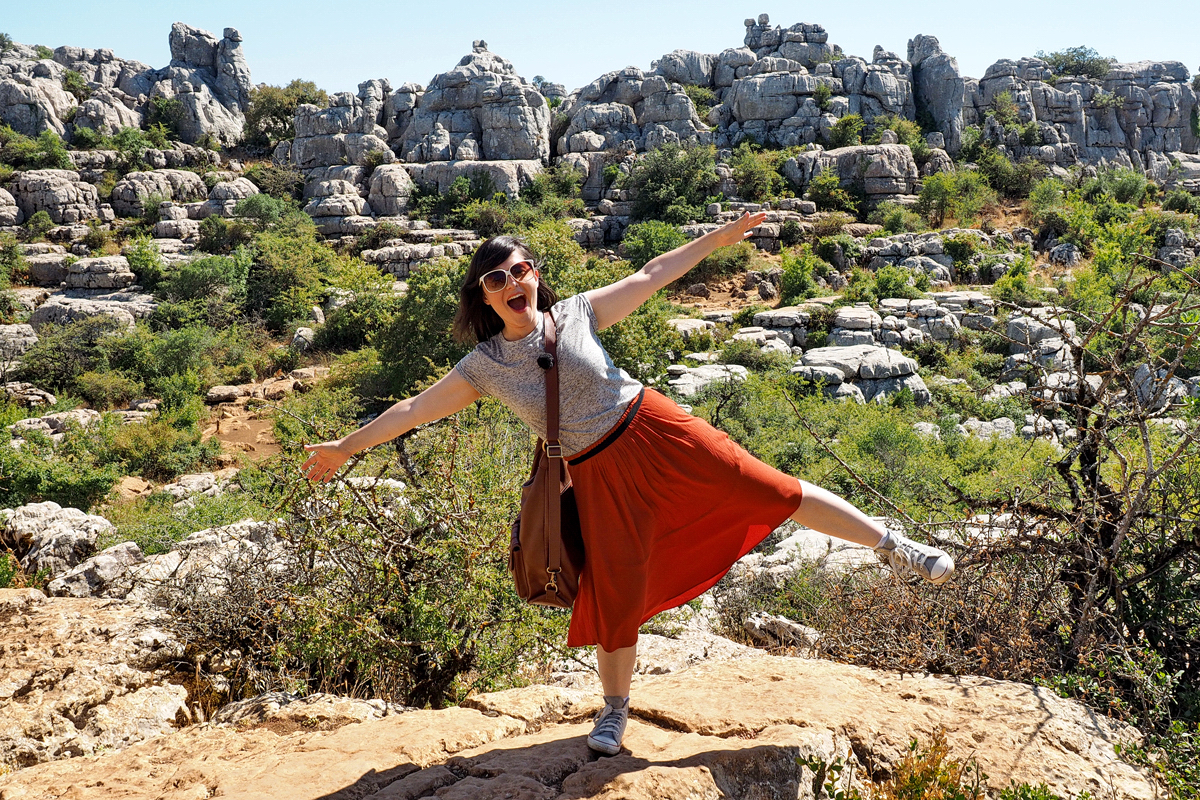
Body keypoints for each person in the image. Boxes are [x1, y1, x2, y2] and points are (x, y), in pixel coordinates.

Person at [300, 212, 954, 755]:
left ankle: (895, 545)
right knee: (615, 586)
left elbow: (652, 273)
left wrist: (718, 240)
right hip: (597, 472)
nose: (511, 282)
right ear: (484, 297)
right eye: (496, 278)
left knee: (772, 491)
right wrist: (345, 447)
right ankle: (615, 711)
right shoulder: (484, 366)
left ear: (536, 276)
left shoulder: (579, 314)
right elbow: (413, 410)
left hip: (659, 429)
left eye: (520, 270)